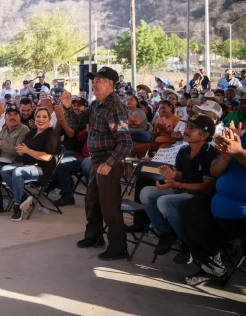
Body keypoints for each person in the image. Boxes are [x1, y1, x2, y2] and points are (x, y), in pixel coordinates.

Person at [60, 66, 133, 261]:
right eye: (94, 80)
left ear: (110, 84)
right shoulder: (96, 104)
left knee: (109, 205)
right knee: (92, 200)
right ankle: (94, 237)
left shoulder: (115, 107)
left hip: (109, 159)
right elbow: (76, 123)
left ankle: (118, 248)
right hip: (96, 158)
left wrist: (109, 163)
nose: (94, 83)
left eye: (99, 80)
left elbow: (125, 142)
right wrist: (68, 107)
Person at [140, 114, 218, 257]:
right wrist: (173, 175)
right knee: (147, 193)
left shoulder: (211, 154)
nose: (186, 130)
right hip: (183, 189)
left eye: (191, 128)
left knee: (165, 202)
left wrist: (178, 184)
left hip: (200, 197)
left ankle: (189, 242)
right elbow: (183, 174)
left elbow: (207, 187)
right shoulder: (183, 150)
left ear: (204, 135)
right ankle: (167, 233)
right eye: (187, 126)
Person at [180, 128, 246, 286]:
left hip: (242, 213)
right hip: (221, 205)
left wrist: (239, 152)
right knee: (191, 209)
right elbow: (214, 171)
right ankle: (213, 269)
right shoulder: (241, 136)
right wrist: (226, 153)